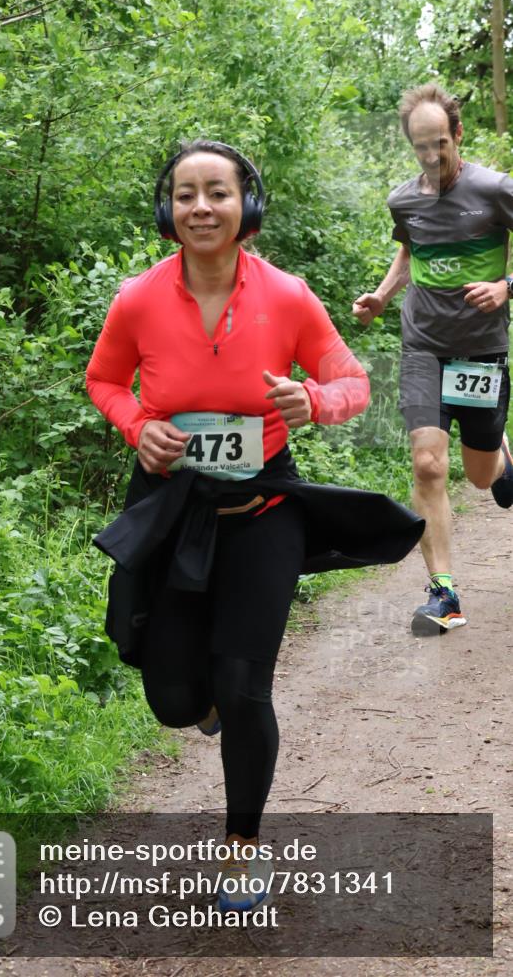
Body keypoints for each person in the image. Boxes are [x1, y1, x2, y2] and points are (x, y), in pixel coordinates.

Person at [86, 139, 424, 912]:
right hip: (170, 510)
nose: (200, 208)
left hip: (262, 510)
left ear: (247, 206)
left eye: (217, 193)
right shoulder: (137, 299)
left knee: (244, 688)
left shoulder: (287, 295)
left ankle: (240, 850)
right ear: (167, 210)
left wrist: (317, 401)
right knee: (173, 696)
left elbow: (350, 380)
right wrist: (136, 423)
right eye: (184, 195)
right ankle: (198, 705)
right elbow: (104, 379)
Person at [353, 84, 513, 637]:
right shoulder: (404, 199)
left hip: (483, 348)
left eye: (440, 144)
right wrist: (382, 295)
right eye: (421, 147)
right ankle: (444, 595)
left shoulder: (494, 189)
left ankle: (502, 458)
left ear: (458, 135)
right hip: (423, 343)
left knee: (479, 474)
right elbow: (410, 247)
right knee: (427, 464)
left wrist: (505, 286)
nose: (431, 157)